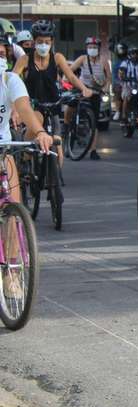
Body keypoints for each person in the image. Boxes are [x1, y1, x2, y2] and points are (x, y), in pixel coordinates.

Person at [0, 36, 54, 298]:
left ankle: (12, 273)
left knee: (12, 211)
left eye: (2, 52)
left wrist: (40, 131)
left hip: (2, 150)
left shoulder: (9, 80)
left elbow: (24, 107)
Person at [12, 20, 93, 165]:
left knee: (58, 148)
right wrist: (15, 108)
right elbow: (13, 79)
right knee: (34, 131)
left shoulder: (57, 58)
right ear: (34, 41)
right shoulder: (25, 59)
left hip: (53, 104)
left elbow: (71, 76)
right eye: (40, 41)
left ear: (52, 42)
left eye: (47, 42)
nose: (44, 45)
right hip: (33, 104)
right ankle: (24, 161)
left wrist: (84, 88)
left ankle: (54, 184)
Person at [70, 36, 112, 160]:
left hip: (96, 92)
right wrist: (73, 81)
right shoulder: (82, 59)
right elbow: (70, 71)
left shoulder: (104, 61)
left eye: (94, 47)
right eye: (89, 47)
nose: (92, 49)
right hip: (82, 89)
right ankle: (70, 132)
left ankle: (93, 150)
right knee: (71, 109)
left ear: (98, 49)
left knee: (95, 123)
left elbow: (109, 77)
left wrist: (105, 87)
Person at [117, 46, 138, 121]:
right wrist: (123, 77)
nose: (135, 55)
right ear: (130, 55)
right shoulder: (125, 63)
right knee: (126, 97)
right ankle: (123, 116)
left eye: (136, 54)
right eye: (133, 54)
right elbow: (121, 73)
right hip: (128, 85)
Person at [111, 42, 128, 119]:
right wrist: (119, 83)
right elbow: (114, 76)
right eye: (119, 50)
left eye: (122, 49)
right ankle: (118, 111)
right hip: (118, 83)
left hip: (129, 82)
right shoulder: (116, 62)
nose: (121, 51)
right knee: (117, 92)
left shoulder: (129, 60)